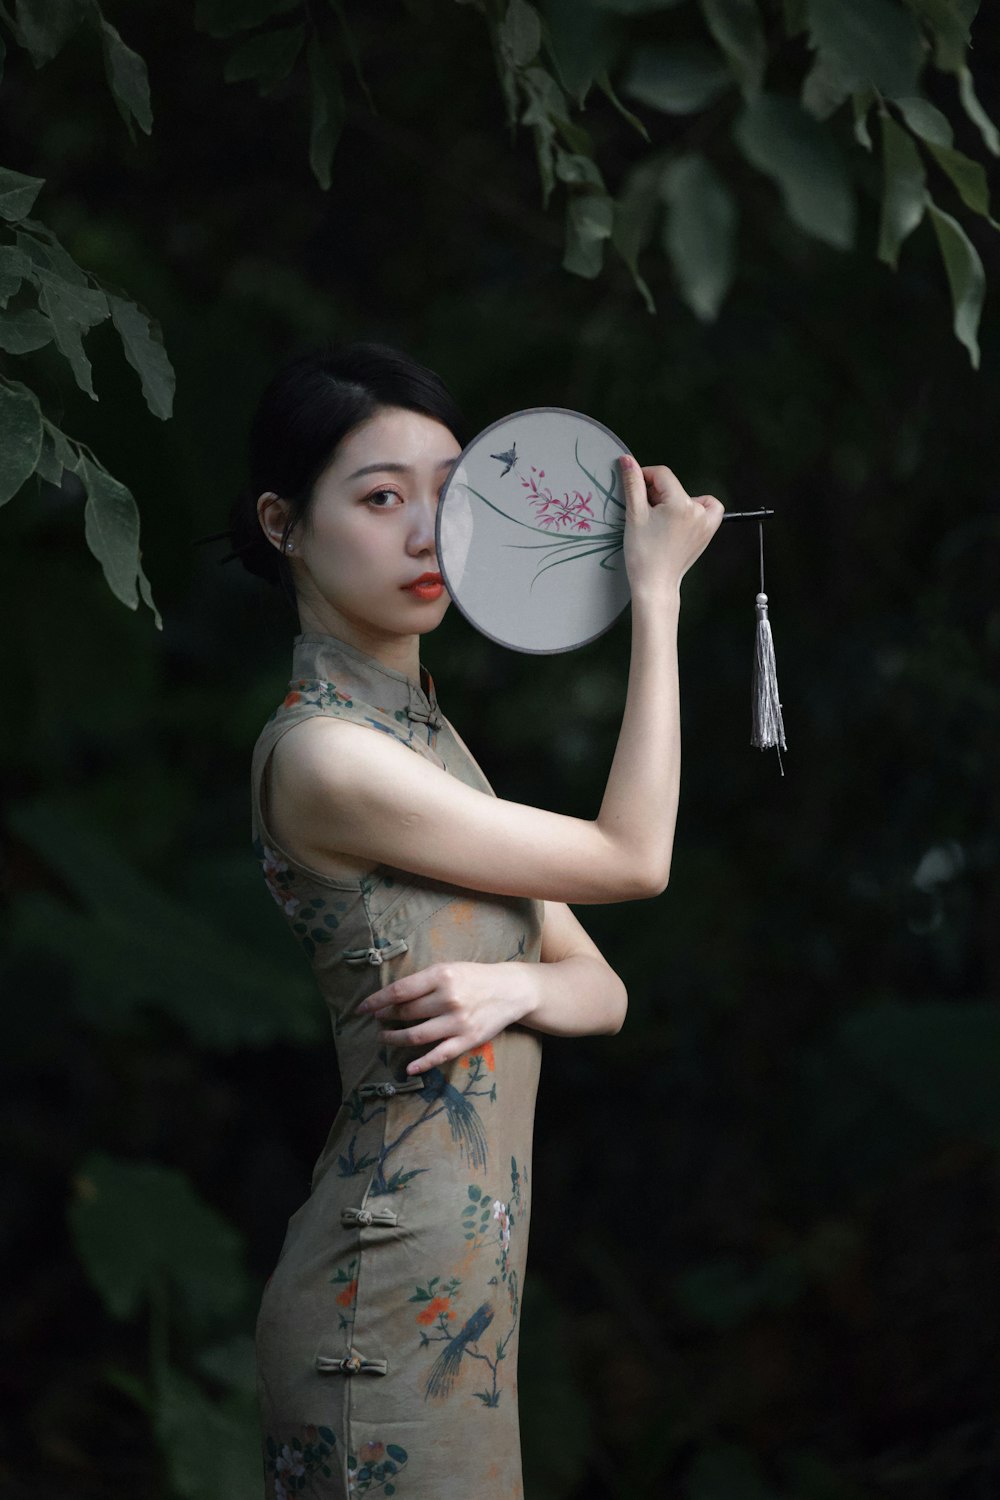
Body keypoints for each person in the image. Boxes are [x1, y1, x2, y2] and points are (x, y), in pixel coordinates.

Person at [227, 340, 723, 1499]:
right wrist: (653, 597)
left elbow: (602, 989)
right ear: (282, 524)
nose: (425, 534)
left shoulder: (431, 750)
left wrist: (517, 987)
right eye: (380, 497)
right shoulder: (327, 757)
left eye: (450, 497)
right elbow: (631, 860)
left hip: (462, 1301)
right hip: (380, 1305)